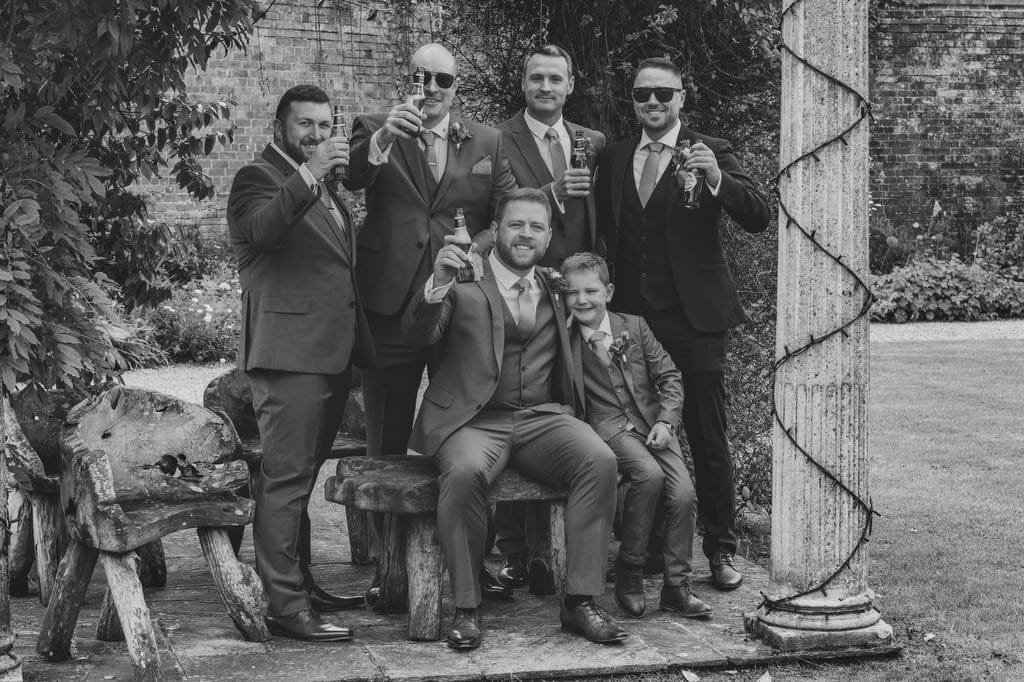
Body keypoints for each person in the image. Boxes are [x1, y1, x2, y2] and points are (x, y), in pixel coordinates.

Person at [402, 187, 626, 650]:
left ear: (547, 239)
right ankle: (467, 607)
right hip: (474, 420)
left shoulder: (554, 284)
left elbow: (600, 321)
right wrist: (438, 278)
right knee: (463, 474)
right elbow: (418, 335)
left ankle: (579, 601)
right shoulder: (464, 277)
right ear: (497, 230)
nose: (526, 234)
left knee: (598, 461)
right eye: (516, 224)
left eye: (536, 227)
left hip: (541, 417)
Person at [345, 44, 516, 601]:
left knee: (466, 429)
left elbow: (506, 213)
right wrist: (384, 138)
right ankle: (388, 568)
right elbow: (353, 179)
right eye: (424, 77)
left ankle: (474, 558)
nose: (434, 87)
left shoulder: (487, 140)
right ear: (409, 79)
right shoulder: (375, 127)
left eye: (444, 78)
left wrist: (478, 250)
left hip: (458, 302)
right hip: (392, 303)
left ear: (456, 84)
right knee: (387, 439)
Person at [595, 58, 771, 592]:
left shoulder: (710, 149)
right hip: (634, 319)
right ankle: (646, 550)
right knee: (643, 435)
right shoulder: (616, 156)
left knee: (706, 435)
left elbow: (758, 215)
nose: (653, 102)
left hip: (696, 319)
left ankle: (719, 550)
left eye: (663, 94)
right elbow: (607, 229)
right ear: (633, 99)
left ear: (681, 97)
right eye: (643, 94)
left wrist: (716, 177)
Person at [227, 84, 375, 641]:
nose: (317, 135)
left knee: (302, 477)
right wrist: (311, 173)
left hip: (330, 355)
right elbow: (265, 230)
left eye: (324, 125)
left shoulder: (326, 187)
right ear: (279, 127)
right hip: (288, 356)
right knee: (285, 479)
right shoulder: (255, 180)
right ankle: (284, 606)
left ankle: (299, 580)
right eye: (305, 125)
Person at [491, 45, 606, 593]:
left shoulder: (593, 143)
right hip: (520, 293)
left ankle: (556, 553)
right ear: (523, 83)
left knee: (567, 409)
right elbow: (505, 213)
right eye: (535, 77)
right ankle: (515, 551)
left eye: (555, 78)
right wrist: (553, 193)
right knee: (513, 405)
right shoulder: (498, 140)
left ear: (570, 85)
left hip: (573, 303)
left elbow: (599, 224)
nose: (545, 86)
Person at [562, 252, 712, 620]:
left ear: (608, 291)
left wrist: (667, 420)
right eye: (572, 292)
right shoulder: (563, 339)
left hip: (652, 424)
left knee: (684, 494)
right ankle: (630, 571)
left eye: (591, 291)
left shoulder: (635, 326)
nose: (582, 300)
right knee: (648, 474)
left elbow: (671, 377)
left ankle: (676, 586)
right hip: (606, 426)